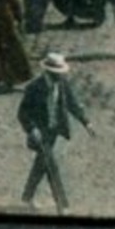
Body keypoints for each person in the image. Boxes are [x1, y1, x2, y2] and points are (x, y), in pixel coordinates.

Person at [17, 52, 93, 215]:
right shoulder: (34, 88)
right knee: (52, 167)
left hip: (54, 130)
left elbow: (72, 104)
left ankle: (27, 196)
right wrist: (32, 129)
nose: (60, 77)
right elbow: (23, 113)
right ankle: (62, 204)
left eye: (61, 74)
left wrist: (86, 122)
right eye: (56, 74)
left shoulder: (62, 83)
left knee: (41, 165)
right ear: (47, 72)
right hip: (40, 132)